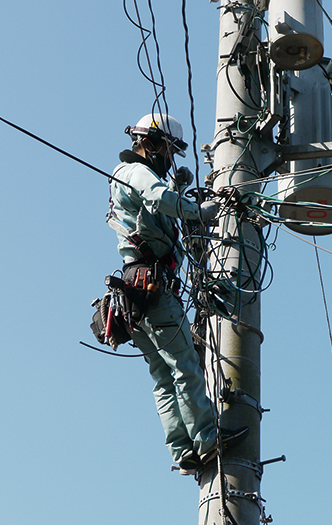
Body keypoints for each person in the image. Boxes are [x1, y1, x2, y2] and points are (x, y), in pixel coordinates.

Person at [108, 112, 248, 475]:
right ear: (151, 143)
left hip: (133, 294)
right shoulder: (138, 173)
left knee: (162, 375)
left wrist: (179, 191)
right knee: (184, 366)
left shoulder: (127, 178)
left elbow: (155, 215)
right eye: (169, 151)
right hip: (153, 291)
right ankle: (206, 438)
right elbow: (160, 200)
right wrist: (199, 210)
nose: (170, 159)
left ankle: (183, 452)